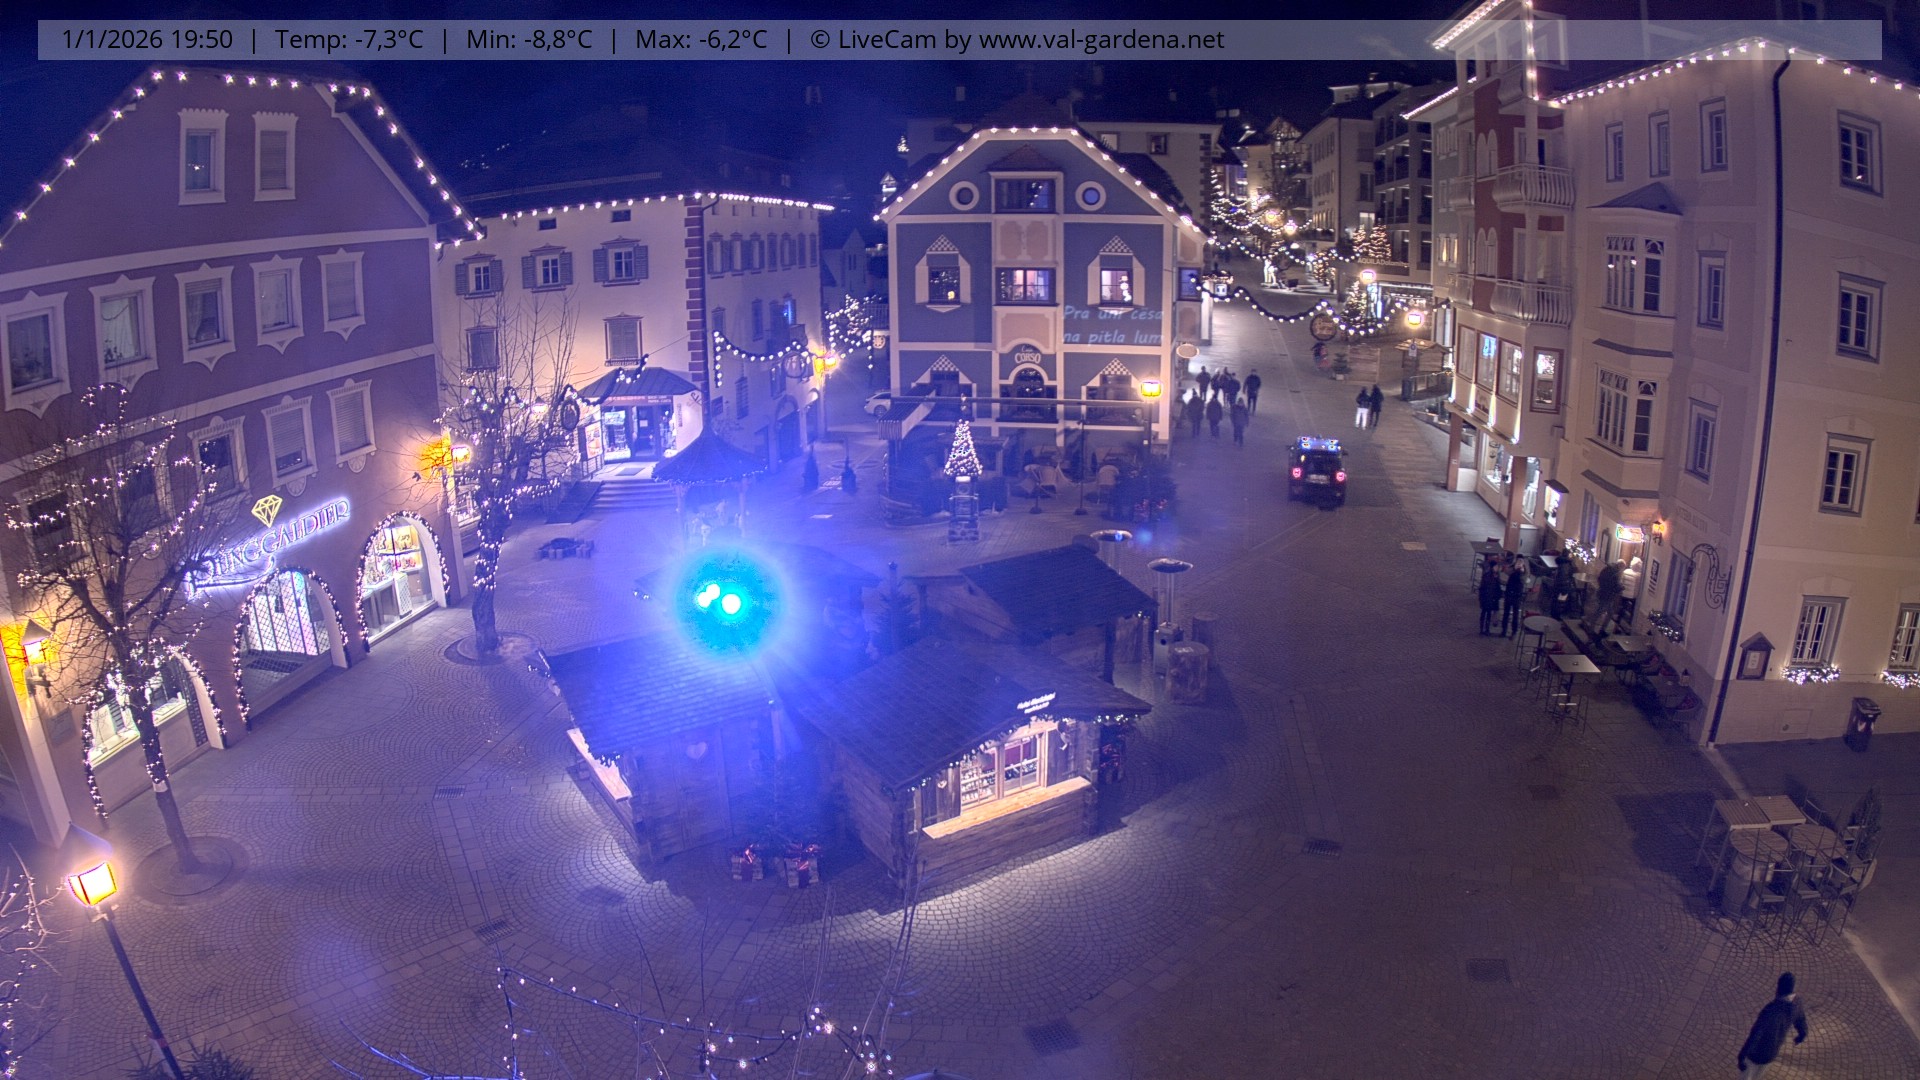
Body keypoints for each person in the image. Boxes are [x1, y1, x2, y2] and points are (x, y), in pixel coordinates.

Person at [1738, 972, 1808, 1078]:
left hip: (1756, 1054)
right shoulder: (1797, 1003)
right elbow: (1801, 1020)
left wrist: (1742, 1055)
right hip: (1772, 1053)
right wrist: (1802, 1035)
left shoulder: (1771, 1010)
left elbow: (1756, 1034)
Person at [1478, 557, 1505, 636]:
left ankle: (1486, 629)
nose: (1497, 568)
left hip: (1490, 598)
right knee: (1485, 613)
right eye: (1496, 566)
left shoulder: (1494, 575)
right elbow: (1485, 588)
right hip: (1487, 598)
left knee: (1488, 614)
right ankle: (1483, 629)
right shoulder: (1489, 576)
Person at [1501, 561, 1528, 638]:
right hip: (1513, 597)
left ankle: (1508, 631)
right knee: (1511, 614)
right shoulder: (1518, 576)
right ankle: (1509, 631)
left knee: (1510, 614)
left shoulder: (1517, 576)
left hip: (1513, 597)